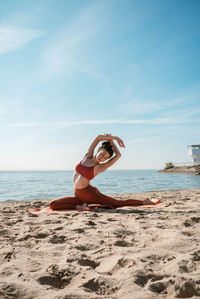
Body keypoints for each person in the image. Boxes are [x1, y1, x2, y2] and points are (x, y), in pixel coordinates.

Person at [49, 134, 159, 211]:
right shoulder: (87, 156)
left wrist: (113, 143)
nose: (102, 158)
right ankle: (80, 207)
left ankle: (144, 202)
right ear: (98, 151)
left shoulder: (99, 167)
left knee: (117, 203)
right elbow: (98, 138)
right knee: (53, 205)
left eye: (105, 158)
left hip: (89, 194)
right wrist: (114, 138)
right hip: (78, 194)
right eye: (102, 154)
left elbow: (118, 155)